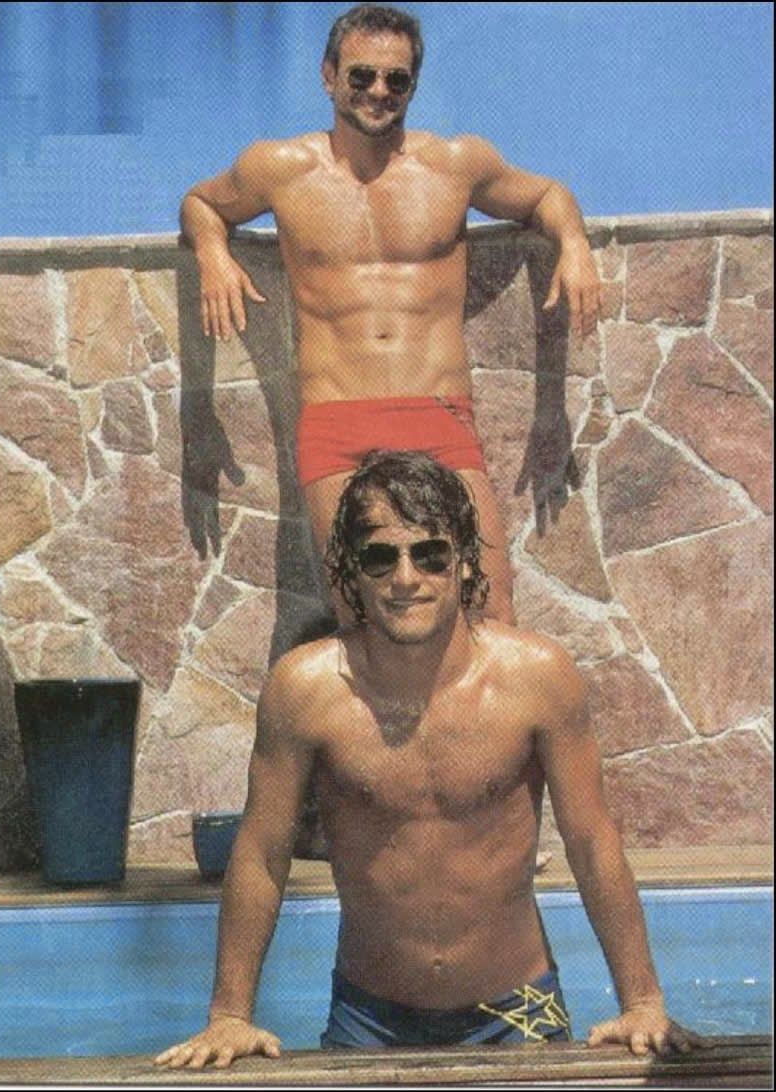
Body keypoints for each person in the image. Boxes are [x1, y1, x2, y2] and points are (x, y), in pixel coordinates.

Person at [155, 450, 705, 1067]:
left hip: (519, 1008)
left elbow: (592, 840)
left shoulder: (537, 678)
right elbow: (261, 850)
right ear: (352, 569)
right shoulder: (306, 690)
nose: (406, 578)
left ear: (464, 560)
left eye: (430, 554)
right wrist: (230, 1016)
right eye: (380, 557)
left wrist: (642, 1001)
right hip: (369, 1015)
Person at [179, 3, 603, 626]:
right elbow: (201, 203)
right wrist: (213, 254)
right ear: (329, 75)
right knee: (361, 618)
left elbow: (545, 194)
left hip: (438, 414)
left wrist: (574, 243)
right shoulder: (280, 168)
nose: (379, 91)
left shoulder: (454, 164)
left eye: (396, 80)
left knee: (490, 607)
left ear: (413, 85)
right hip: (336, 423)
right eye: (361, 75)